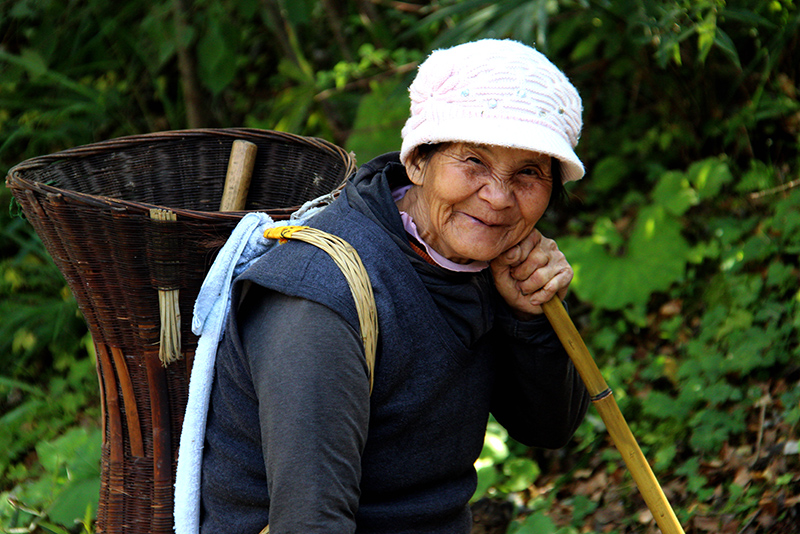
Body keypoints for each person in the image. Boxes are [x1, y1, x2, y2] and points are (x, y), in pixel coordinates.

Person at [198, 38, 590, 533]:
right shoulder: (320, 295)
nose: (498, 197)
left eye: (529, 173)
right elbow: (310, 521)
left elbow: (548, 429)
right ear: (417, 162)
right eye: (473, 161)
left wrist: (529, 319)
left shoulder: (483, 262)